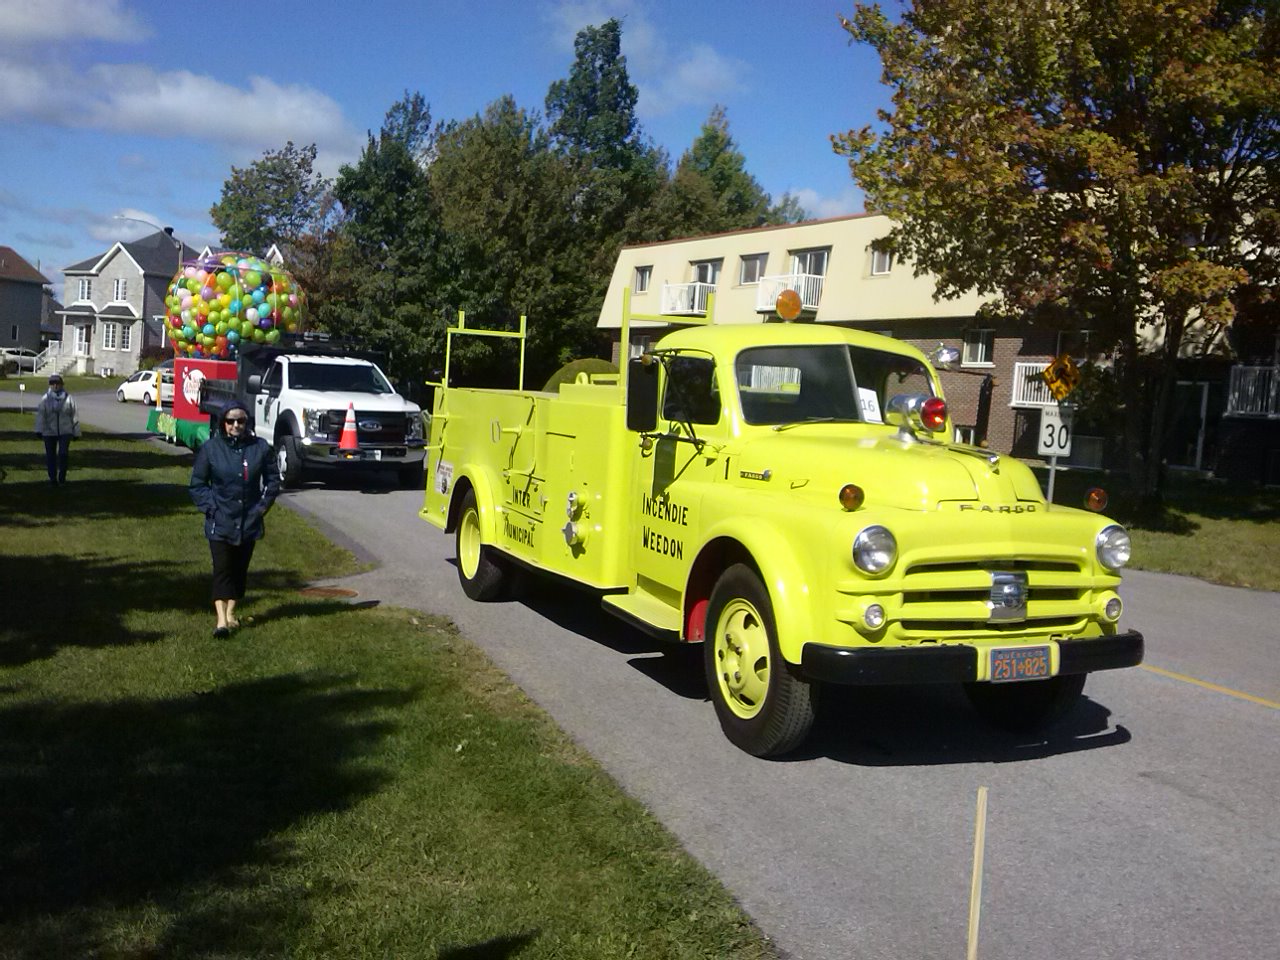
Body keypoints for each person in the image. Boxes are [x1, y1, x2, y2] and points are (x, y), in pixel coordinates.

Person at [188, 401, 281, 638]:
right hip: (220, 520)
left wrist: (262, 508)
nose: (236, 425)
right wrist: (211, 508)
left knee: (239, 570)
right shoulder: (211, 449)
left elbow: (273, 481)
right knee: (222, 568)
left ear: (247, 422)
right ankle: (221, 622)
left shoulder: (260, 448)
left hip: (249, 520)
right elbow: (198, 484)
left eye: (240, 421)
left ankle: (231, 613)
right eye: (231, 421)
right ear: (223, 424)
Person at [34, 373, 80, 486]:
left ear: (61, 385)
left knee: (63, 454)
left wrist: (76, 431)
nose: (55, 386)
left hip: (65, 431)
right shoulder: (45, 399)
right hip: (49, 432)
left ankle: (62, 478)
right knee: (51, 456)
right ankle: (52, 479)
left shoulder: (69, 398)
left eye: (57, 384)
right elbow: (41, 415)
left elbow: (74, 415)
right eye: (52, 384)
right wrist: (39, 430)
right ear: (49, 385)